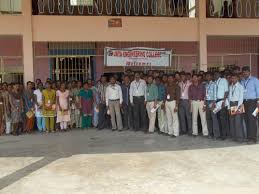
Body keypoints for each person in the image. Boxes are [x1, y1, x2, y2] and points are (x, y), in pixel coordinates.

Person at [241, 66, 259, 143]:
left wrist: (258, 103)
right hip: (244, 102)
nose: (245, 73)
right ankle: (249, 137)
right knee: (246, 120)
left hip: (253, 102)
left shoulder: (255, 80)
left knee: (252, 120)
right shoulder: (242, 81)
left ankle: (253, 138)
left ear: (249, 72)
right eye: (243, 72)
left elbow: (258, 92)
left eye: (246, 72)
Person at [228, 73, 245, 142]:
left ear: (238, 79)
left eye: (235, 78)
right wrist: (229, 107)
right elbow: (229, 98)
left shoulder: (240, 86)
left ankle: (240, 138)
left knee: (238, 122)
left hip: (239, 104)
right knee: (232, 121)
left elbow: (241, 98)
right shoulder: (230, 86)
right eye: (232, 78)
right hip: (232, 104)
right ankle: (234, 137)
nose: (233, 79)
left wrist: (238, 108)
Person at [215, 71, 229, 140]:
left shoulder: (224, 80)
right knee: (218, 119)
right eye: (214, 74)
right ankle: (221, 134)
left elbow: (226, 91)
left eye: (217, 74)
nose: (215, 75)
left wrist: (223, 101)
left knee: (223, 119)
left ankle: (224, 135)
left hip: (222, 101)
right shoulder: (215, 81)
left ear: (219, 74)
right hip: (217, 102)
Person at [205, 72, 220, 139]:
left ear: (211, 77)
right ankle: (210, 133)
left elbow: (215, 94)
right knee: (208, 118)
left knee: (214, 118)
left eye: (209, 76)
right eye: (206, 76)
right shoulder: (205, 84)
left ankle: (216, 135)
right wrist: (205, 103)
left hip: (212, 102)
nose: (207, 77)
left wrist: (214, 103)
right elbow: (205, 94)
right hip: (207, 102)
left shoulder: (214, 84)